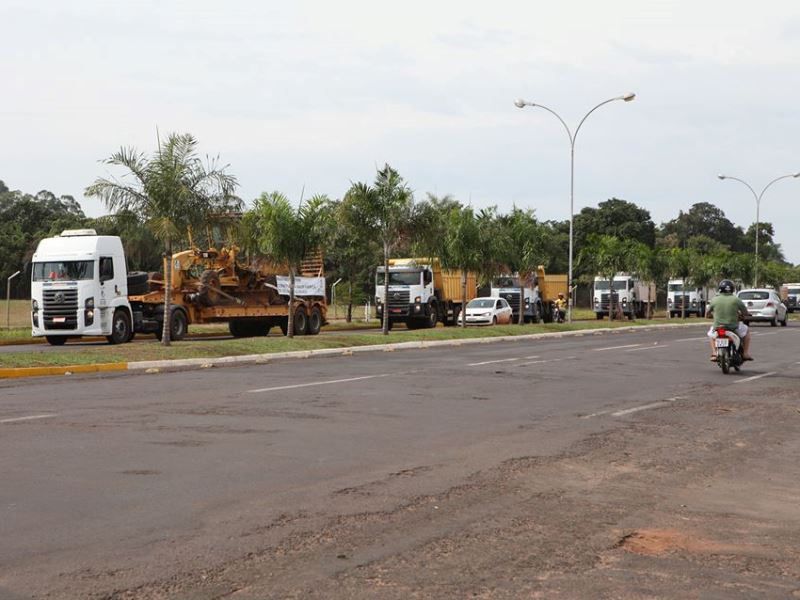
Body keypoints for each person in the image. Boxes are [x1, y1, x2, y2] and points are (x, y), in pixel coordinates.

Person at [706, 279, 753, 362]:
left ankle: (714, 353)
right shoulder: (736, 300)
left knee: (711, 335)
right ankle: (745, 353)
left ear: (720, 288)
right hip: (733, 327)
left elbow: (707, 314)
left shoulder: (714, 300)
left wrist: (711, 315)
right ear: (732, 289)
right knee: (746, 331)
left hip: (718, 327)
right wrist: (744, 316)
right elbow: (745, 313)